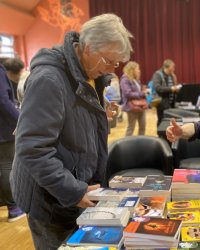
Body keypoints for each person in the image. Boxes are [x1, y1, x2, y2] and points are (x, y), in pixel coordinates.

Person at [10, 13, 133, 249]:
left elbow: (69, 117)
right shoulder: (49, 80)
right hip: (51, 200)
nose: (112, 69)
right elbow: (33, 148)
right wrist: (73, 191)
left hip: (71, 191)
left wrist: (97, 114)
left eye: (116, 63)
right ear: (87, 47)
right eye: (109, 61)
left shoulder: (89, 73)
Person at [0, 61, 26, 222]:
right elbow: (3, 100)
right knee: (7, 165)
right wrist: (20, 121)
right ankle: (14, 208)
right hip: (3, 129)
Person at [120, 61, 147, 136]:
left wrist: (144, 92)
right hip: (131, 107)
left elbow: (137, 92)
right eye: (137, 69)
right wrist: (142, 93)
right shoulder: (124, 79)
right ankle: (127, 146)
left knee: (142, 127)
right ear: (132, 70)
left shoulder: (136, 80)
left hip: (141, 105)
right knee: (131, 128)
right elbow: (127, 94)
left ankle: (142, 144)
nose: (139, 71)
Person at [152, 59, 181, 126]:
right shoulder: (158, 74)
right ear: (167, 67)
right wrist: (171, 89)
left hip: (171, 104)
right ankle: (160, 136)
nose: (174, 69)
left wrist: (176, 89)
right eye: (172, 67)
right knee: (162, 121)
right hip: (162, 104)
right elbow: (157, 88)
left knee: (170, 122)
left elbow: (173, 87)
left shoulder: (172, 75)